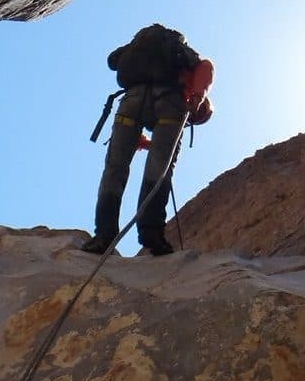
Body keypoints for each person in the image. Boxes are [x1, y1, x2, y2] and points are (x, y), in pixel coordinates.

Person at [83, 24, 213, 256]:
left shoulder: (153, 54)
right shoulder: (190, 94)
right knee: (159, 170)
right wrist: (197, 96)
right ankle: (152, 235)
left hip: (132, 101)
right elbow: (207, 67)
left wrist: (144, 143)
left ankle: (104, 235)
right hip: (169, 104)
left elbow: (113, 60)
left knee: (115, 168)